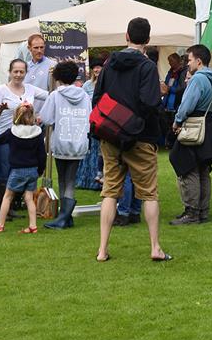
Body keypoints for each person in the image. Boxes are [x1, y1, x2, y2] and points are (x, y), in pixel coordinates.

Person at [93, 17, 170, 262]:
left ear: (126, 36)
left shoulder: (108, 65)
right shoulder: (147, 67)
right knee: (149, 193)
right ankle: (155, 247)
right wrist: (133, 123)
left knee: (110, 191)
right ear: (147, 40)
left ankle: (102, 250)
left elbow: (97, 98)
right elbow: (150, 102)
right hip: (141, 136)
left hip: (110, 135)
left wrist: (116, 121)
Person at [0, 59, 48, 220]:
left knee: (17, 171)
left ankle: (10, 207)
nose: (18, 75)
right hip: (5, 136)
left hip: (24, 137)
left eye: (22, 72)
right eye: (16, 71)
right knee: (4, 172)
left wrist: (42, 115)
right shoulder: (1, 90)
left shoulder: (30, 89)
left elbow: (51, 97)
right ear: (10, 72)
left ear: (26, 73)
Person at [169, 43, 212, 225]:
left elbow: (187, 105)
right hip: (209, 129)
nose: (188, 64)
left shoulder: (198, 79)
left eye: (189, 60)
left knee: (187, 168)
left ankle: (191, 212)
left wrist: (177, 121)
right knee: (203, 169)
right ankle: (202, 211)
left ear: (198, 61)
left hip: (194, 127)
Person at [39, 61, 91, 230]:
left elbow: (46, 118)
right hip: (79, 141)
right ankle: (65, 216)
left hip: (61, 141)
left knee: (63, 179)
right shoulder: (84, 95)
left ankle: (64, 217)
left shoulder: (55, 95)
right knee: (70, 179)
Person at [0, 104, 45, 234]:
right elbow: (41, 154)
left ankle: (0, 225)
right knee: (29, 198)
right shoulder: (38, 132)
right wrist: (40, 170)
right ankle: (33, 226)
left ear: (16, 116)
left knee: (7, 196)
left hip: (17, 170)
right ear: (33, 116)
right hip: (33, 170)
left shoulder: (12, 132)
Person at [77, 55, 106, 190]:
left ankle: (99, 179)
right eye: (95, 67)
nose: (97, 69)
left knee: (100, 150)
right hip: (89, 120)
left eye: (99, 67)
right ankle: (87, 179)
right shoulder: (87, 85)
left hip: (102, 120)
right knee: (89, 149)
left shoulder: (106, 83)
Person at [160, 52, 186, 145]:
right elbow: (167, 83)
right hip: (167, 102)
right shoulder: (170, 72)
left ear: (177, 61)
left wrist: (169, 88)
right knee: (167, 123)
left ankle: (173, 143)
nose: (169, 63)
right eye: (168, 61)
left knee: (175, 123)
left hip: (176, 102)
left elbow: (182, 88)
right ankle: (168, 142)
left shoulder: (183, 72)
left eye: (171, 61)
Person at [24, 34, 54, 103]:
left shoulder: (52, 66)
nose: (39, 50)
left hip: (45, 110)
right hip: (27, 111)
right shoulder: (24, 67)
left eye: (41, 47)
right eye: (36, 48)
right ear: (29, 48)